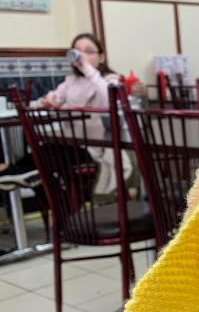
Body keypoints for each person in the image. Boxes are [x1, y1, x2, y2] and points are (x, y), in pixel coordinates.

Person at [0, 33, 130, 194]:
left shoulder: (110, 79)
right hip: (70, 142)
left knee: (51, 152)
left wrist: (88, 69)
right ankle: (18, 174)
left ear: (101, 57)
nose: (82, 56)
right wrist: (46, 102)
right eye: (77, 52)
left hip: (95, 149)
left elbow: (109, 99)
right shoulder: (71, 81)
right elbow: (47, 100)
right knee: (46, 149)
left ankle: (14, 173)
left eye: (89, 52)